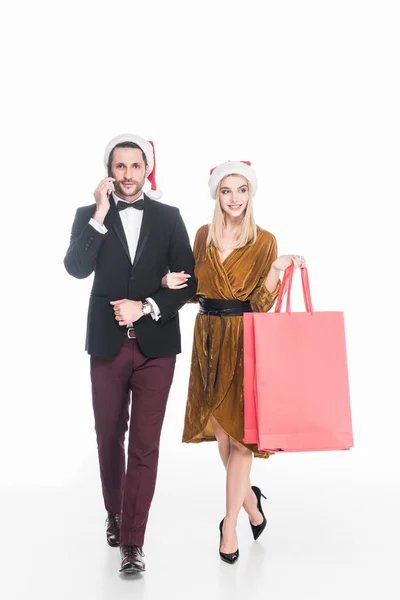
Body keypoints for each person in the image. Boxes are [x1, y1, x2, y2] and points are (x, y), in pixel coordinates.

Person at [64, 134, 196, 575]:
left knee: (144, 444)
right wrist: (100, 215)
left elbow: (189, 282)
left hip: (157, 347)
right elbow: (77, 267)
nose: (127, 175)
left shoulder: (170, 217)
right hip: (107, 343)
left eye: (135, 166)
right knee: (108, 436)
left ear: (147, 169)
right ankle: (116, 512)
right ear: (109, 171)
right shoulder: (90, 216)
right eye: (119, 167)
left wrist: (148, 306)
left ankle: (133, 543)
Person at [162, 160, 305, 564]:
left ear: (251, 194)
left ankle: (229, 526)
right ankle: (253, 504)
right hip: (208, 337)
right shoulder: (204, 234)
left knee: (242, 439)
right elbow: (196, 289)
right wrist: (170, 282)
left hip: (245, 340)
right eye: (227, 190)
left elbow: (260, 303)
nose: (235, 198)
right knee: (224, 440)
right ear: (216, 195)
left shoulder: (264, 240)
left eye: (241, 190)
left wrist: (276, 271)